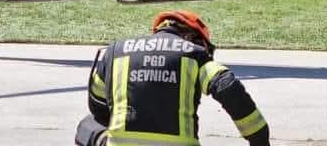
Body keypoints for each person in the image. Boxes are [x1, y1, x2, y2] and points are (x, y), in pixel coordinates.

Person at [76, 10, 270, 146]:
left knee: (88, 125)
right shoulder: (194, 54)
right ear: (192, 37)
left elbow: (97, 105)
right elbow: (228, 87)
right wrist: (259, 139)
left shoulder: (115, 51)